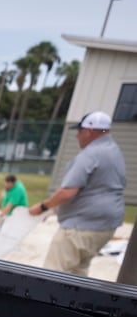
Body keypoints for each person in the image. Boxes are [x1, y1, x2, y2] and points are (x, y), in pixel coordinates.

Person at [32, 111, 127, 276]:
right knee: (78, 273)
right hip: (105, 225)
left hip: (81, 226)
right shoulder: (114, 151)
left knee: (52, 273)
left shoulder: (90, 154)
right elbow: (95, 188)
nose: (77, 136)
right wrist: (54, 210)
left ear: (89, 131)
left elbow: (68, 192)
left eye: (79, 131)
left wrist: (42, 207)